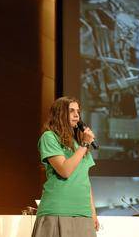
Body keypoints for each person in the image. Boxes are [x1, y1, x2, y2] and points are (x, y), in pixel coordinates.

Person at [32, 96, 99, 237]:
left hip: (83, 212)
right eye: (71, 111)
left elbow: (85, 179)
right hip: (58, 210)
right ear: (60, 114)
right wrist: (85, 145)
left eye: (78, 112)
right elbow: (65, 171)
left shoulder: (78, 143)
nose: (77, 115)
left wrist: (93, 212)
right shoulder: (49, 137)